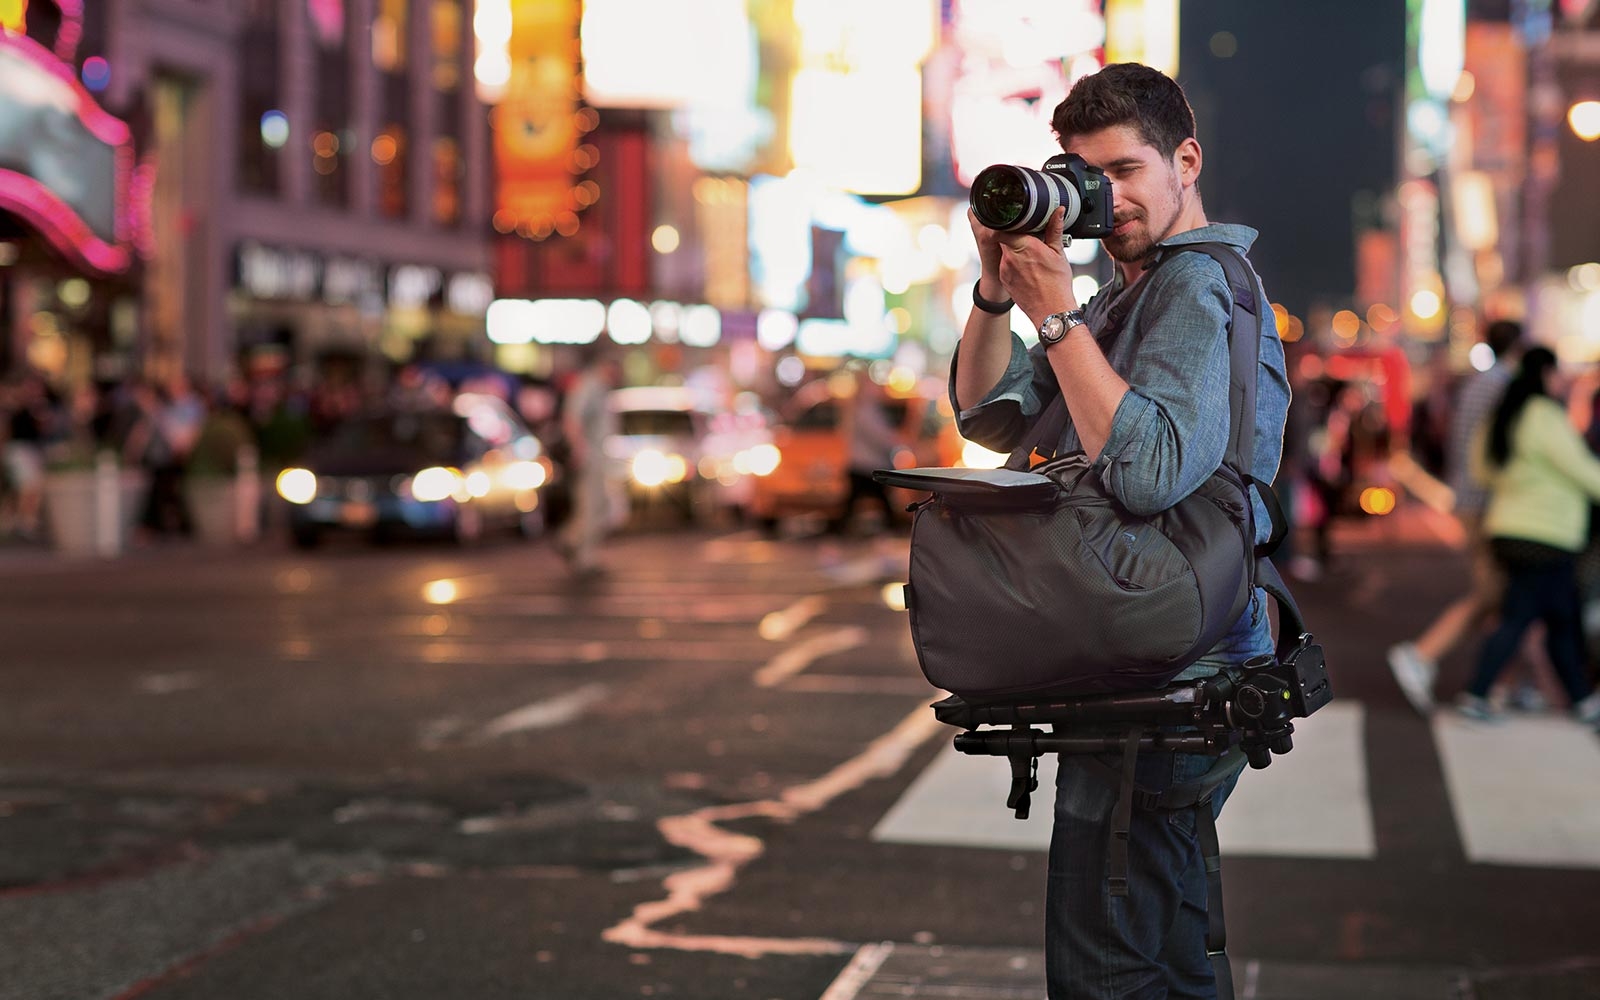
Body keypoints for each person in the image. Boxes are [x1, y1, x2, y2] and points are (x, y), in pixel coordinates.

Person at [950, 63, 1288, 999]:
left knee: (1115, 959)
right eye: (1084, 173)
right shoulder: (1119, 297)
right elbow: (989, 415)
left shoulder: (1191, 286)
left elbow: (1147, 472)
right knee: (1156, 935)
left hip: (1177, 662)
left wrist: (1056, 311)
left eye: (1127, 170)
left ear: (1187, 160)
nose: (1107, 197)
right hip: (1149, 645)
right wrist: (994, 288)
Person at [1454, 347, 1600, 724]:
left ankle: (1582, 699)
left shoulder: (1506, 413)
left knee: (1547, 617)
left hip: (1508, 527)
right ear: (1547, 374)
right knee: (1537, 618)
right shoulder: (1544, 416)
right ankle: (1479, 692)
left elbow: (1481, 469)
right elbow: (1581, 469)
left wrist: (1519, 482)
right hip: (1546, 533)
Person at [1387, 320, 1524, 714]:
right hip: (1487, 501)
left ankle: (1505, 679)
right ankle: (1422, 655)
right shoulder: (1504, 387)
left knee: (1503, 593)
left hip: (1467, 495)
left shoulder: (1474, 386)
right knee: (1494, 592)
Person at [556, 344, 619, 579]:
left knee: (599, 506)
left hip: (597, 455)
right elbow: (572, 419)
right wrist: (579, 449)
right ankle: (582, 554)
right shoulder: (589, 385)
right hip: (589, 455)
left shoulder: (600, 387)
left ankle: (571, 540)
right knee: (591, 506)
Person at [829, 370, 906, 535]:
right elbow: (878, 436)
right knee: (877, 498)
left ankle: (841, 529)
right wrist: (897, 444)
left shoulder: (862, 408)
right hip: (868, 463)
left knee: (859, 500)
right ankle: (892, 527)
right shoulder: (864, 410)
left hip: (863, 462)